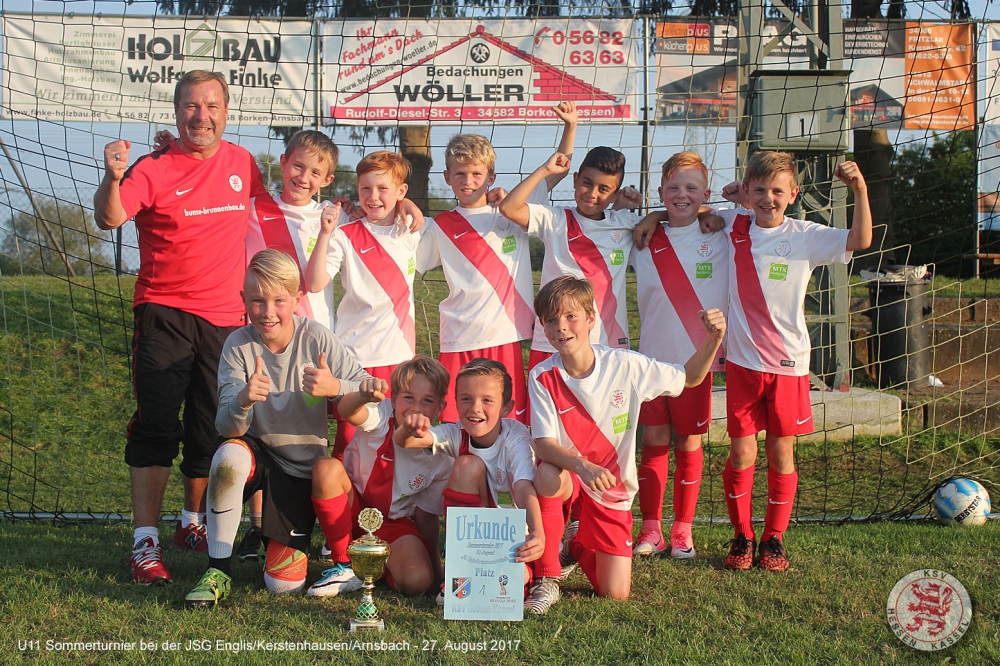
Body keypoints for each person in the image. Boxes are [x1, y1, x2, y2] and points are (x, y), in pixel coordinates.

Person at [93, 70, 267, 586]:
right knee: (156, 426)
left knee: (212, 427)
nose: (201, 116)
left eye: (211, 106)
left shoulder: (243, 163)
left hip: (227, 320)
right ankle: (143, 545)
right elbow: (109, 218)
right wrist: (112, 178)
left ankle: (191, 523)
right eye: (191, 106)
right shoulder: (152, 167)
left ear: (226, 111)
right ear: (176, 111)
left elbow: (279, 214)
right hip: (164, 313)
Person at [184, 249, 371, 608]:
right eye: (257, 301)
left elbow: (366, 386)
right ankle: (217, 570)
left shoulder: (316, 339)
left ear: (297, 300)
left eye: (279, 301)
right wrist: (243, 400)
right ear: (244, 300)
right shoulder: (236, 345)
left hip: (298, 472)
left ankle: (270, 536)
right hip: (256, 455)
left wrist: (335, 387)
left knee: (283, 585)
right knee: (228, 454)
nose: (267, 312)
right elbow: (225, 426)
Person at [713, 152, 871, 571]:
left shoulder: (805, 235)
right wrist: (656, 217)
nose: (768, 198)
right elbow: (690, 215)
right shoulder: (733, 224)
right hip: (743, 364)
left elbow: (860, 240)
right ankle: (742, 536)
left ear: (794, 194)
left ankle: (774, 538)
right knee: (741, 454)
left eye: (777, 191)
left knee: (782, 455)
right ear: (748, 193)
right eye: (759, 190)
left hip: (789, 367)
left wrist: (859, 189)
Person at [528, 276, 725, 600]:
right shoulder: (541, 376)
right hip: (572, 479)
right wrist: (583, 467)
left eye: (571, 316)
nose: (561, 326)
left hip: (612, 489)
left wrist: (713, 339)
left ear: (591, 319)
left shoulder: (625, 365)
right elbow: (544, 445)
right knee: (547, 474)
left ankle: (574, 545)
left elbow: (690, 378)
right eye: (551, 320)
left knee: (615, 593)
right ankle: (547, 577)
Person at [416, 102, 579, 424]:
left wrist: (570, 126)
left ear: (491, 176)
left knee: (506, 422)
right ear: (447, 177)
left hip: (504, 334)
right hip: (459, 336)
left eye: (477, 174)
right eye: (460, 174)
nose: (468, 181)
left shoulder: (511, 211)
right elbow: (404, 259)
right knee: (457, 422)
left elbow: (558, 169)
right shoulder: (438, 227)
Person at [628, 151, 729, 559]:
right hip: (652, 361)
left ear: (705, 193)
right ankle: (651, 528)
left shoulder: (722, 232)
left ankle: (683, 530)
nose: (681, 194)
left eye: (691, 188)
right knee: (653, 440)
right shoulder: (642, 238)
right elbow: (608, 218)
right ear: (660, 192)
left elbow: (756, 210)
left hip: (696, 362)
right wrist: (651, 216)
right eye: (673, 188)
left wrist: (710, 211)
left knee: (688, 443)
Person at [395, 359, 546, 612]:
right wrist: (408, 428)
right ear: (455, 402)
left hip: (512, 539)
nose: (475, 408)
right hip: (477, 538)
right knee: (466, 465)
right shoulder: (456, 433)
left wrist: (537, 533)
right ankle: (462, 567)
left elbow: (523, 487)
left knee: (509, 582)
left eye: (487, 400)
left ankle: (527, 573)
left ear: (506, 407)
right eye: (466, 399)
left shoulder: (516, 438)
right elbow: (408, 442)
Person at [305, 151, 422, 460]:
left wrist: (408, 205)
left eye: (383, 188)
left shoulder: (411, 231)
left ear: (401, 191)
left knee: (397, 445)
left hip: (399, 358)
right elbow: (314, 283)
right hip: (355, 359)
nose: (373, 196)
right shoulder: (344, 235)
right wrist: (325, 233)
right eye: (365, 189)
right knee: (349, 445)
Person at [307, 356, 453, 598]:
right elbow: (347, 411)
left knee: (418, 582)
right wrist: (362, 396)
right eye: (408, 397)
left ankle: (371, 566)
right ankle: (343, 564)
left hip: (393, 524)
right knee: (326, 469)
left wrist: (437, 573)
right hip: (352, 505)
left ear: (440, 408)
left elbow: (427, 516)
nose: (416, 407)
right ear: (393, 399)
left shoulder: (442, 455)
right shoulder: (382, 415)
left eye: (427, 401)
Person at [497, 148, 638, 372]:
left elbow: (675, 223)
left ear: (615, 195)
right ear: (575, 180)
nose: (592, 193)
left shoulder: (625, 224)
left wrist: (656, 216)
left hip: (607, 345)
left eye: (603, 189)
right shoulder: (556, 219)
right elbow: (508, 207)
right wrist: (545, 170)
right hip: (553, 343)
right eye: (587, 183)